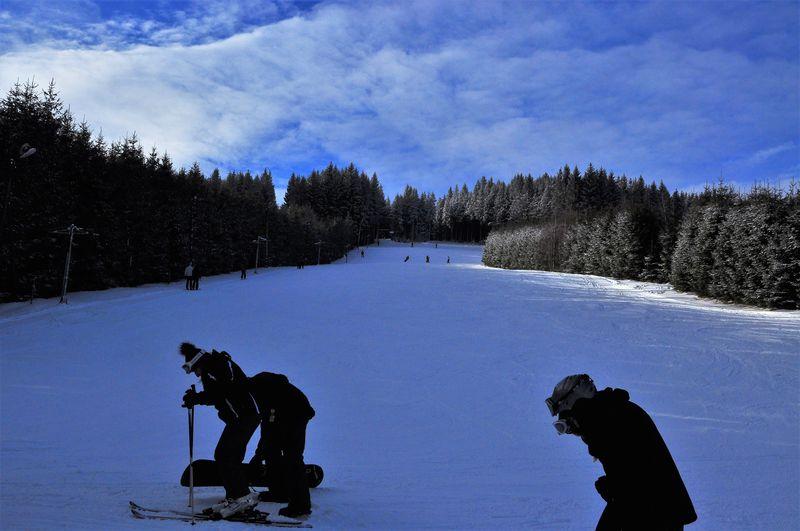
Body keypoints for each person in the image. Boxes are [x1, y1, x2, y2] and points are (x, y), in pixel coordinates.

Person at [545, 375, 697, 530]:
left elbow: (630, 481)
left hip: (653, 511)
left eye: (568, 422)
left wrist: (609, 488)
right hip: (659, 508)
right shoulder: (614, 410)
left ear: (575, 403)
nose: (573, 431)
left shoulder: (604, 421)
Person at [180, 343, 260, 518]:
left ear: (197, 362)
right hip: (242, 417)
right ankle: (235, 498)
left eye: (194, 370)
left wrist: (197, 398)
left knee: (225, 456)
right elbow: (219, 393)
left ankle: (242, 499)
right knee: (227, 456)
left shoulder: (214, 367)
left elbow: (221, 392)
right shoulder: (215, 365)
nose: (195, 374)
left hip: (244, 416)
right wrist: (197, 398)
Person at [248, 371, 315, 518]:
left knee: (293, 458)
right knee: (272, 452)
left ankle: (301, 506)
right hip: (283, 414)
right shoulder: (256, 389)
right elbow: (267, 429)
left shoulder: (260, 391)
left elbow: (267, 426)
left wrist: (258, 456)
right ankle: (279, 493)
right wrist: (259, 454)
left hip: (296, 414)